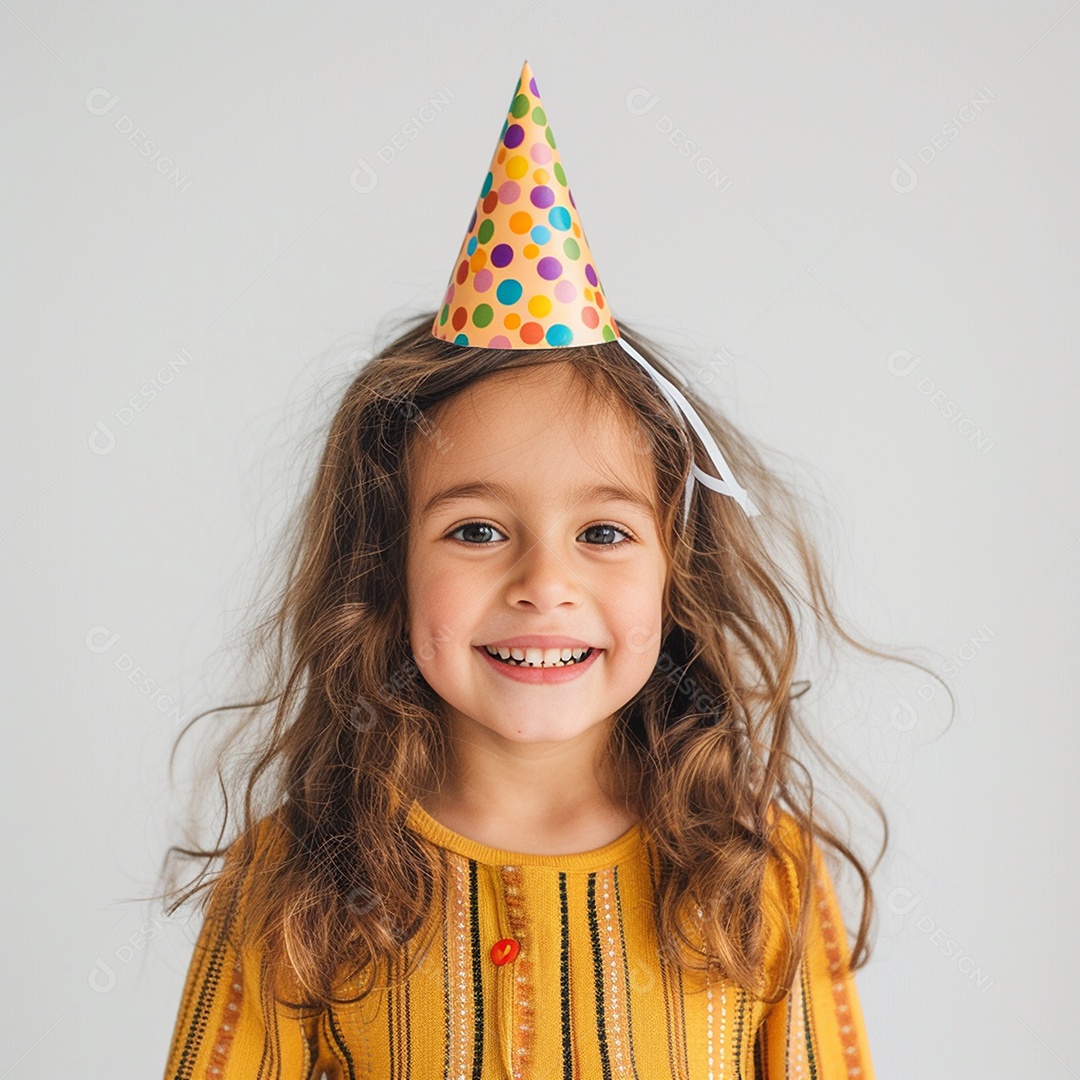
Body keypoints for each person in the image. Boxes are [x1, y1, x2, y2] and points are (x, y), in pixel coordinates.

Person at [157, 59, 934, 1079]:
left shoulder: (763, 877)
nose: (542, 583)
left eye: (603, 534)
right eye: (477, 531)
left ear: (676, 569)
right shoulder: (294, 881)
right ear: (383, 566)